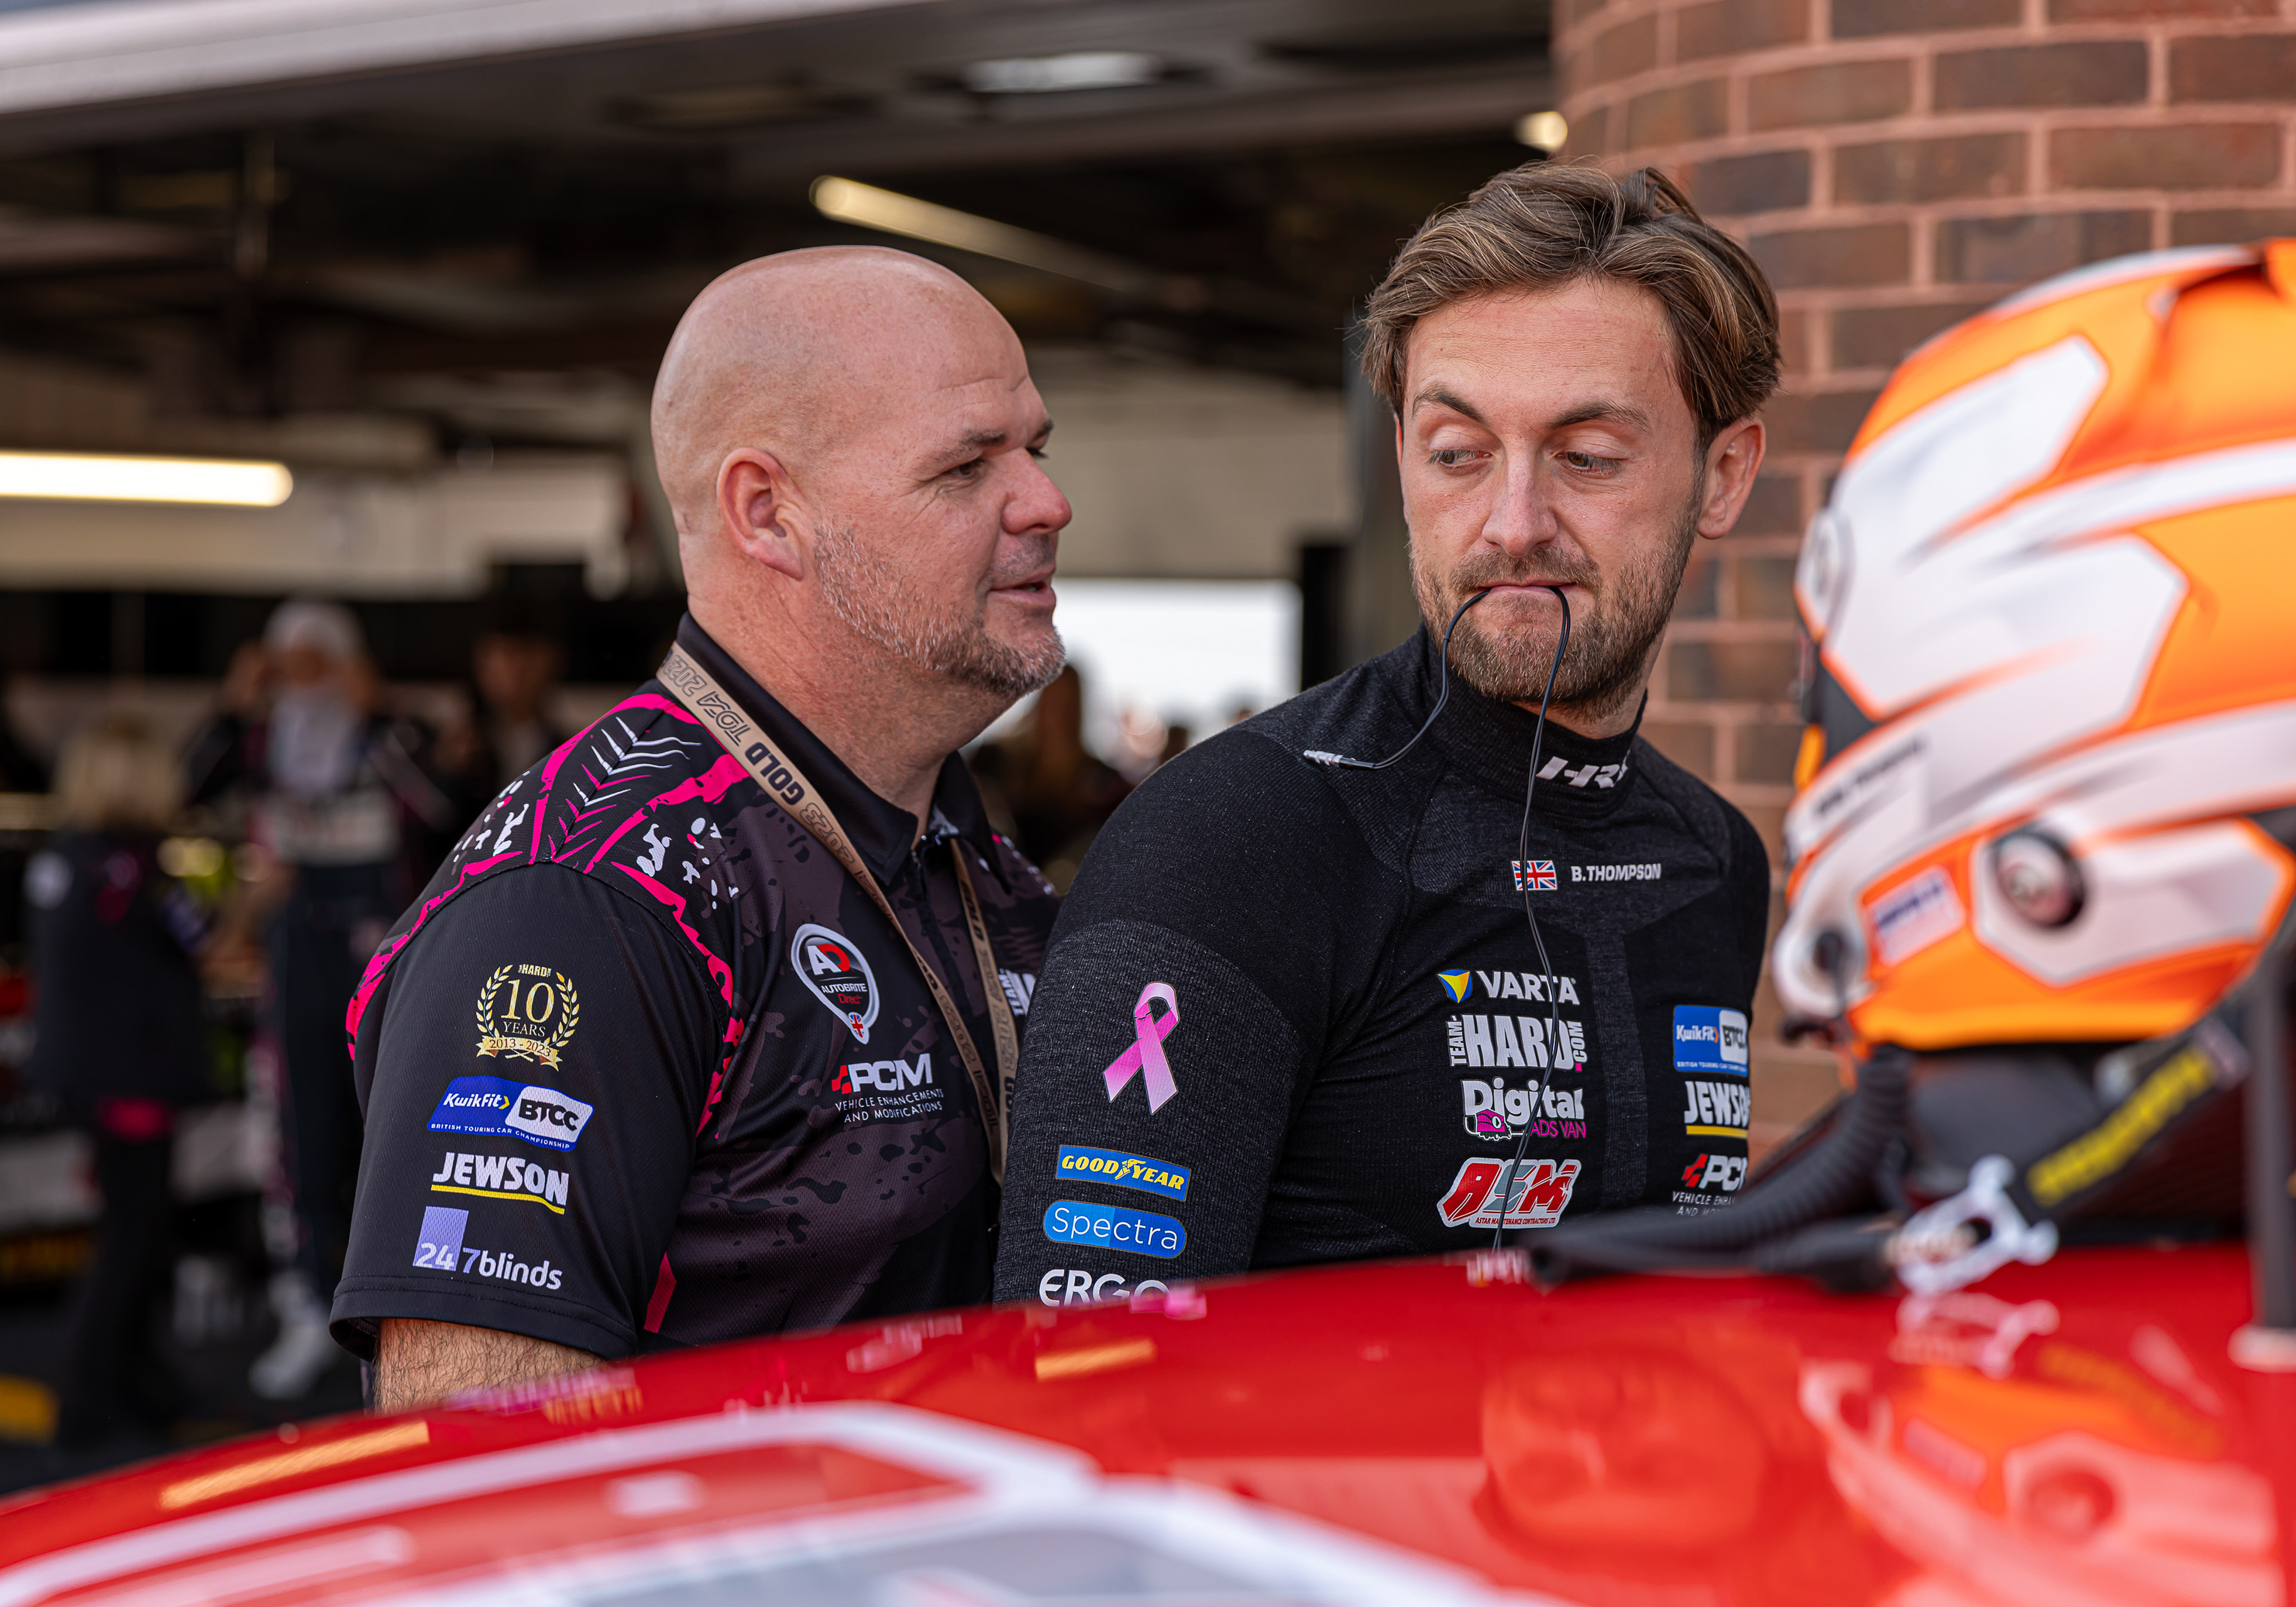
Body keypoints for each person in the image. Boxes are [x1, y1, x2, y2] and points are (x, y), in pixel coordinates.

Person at [995, 164, 1778, 1306]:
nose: (1514, 523)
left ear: (1724, 475)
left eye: (1589, 456)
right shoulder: (1235, 841)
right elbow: (1082, 1363)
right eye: (1459, 452)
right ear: (1404, 457)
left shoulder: (1713, 857)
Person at [334, 247, 1066, 1409]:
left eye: (1036, 449)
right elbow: (481, 1455)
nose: (1045, 502)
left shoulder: (968, 852)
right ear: (768, 513)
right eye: (968, 465)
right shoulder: (585, 903)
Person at [187, 599, 455, 1399]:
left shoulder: (390, 737)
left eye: (320, 660)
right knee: (301, 1135)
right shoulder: (261, 740)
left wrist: (372, 708)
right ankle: (308, 1303)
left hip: (390, 956)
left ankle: (410, 1305)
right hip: (296, 961)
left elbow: (446, 804)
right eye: (290, 661)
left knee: (399, 1130)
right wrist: (233, 703)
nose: (305, 677)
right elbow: (191, 783)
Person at [23, 717, 213, 1444]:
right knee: (133, 1239)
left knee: (135, 1234)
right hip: (131, 1078)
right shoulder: (132, 866)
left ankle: (139, 1382)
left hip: (82, 1071)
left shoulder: (63, 856)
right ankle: (86, 1396)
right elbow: (203, 936)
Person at [970, 664, 1131, 889]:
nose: (1056, 712)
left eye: (1066, 704)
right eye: (1051, 699)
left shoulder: (1104, 782)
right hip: (997, 888)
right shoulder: (995, 762)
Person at [436, 617, 569, 817]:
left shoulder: (565, 749)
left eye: (525, 668)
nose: (513, 678)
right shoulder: (464, 746)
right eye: (499, 666)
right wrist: (447, 772)